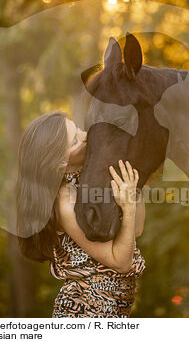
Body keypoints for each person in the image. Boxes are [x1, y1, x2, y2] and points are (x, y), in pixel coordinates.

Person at [15, 111, 146, 317]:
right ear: (61, 163)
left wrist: (133, 184)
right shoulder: (65, 203)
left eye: (78, 129)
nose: (86, 135)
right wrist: (128, 208)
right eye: (76, 140)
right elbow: (120, 262)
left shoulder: (89, 179)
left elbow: (135, 231)